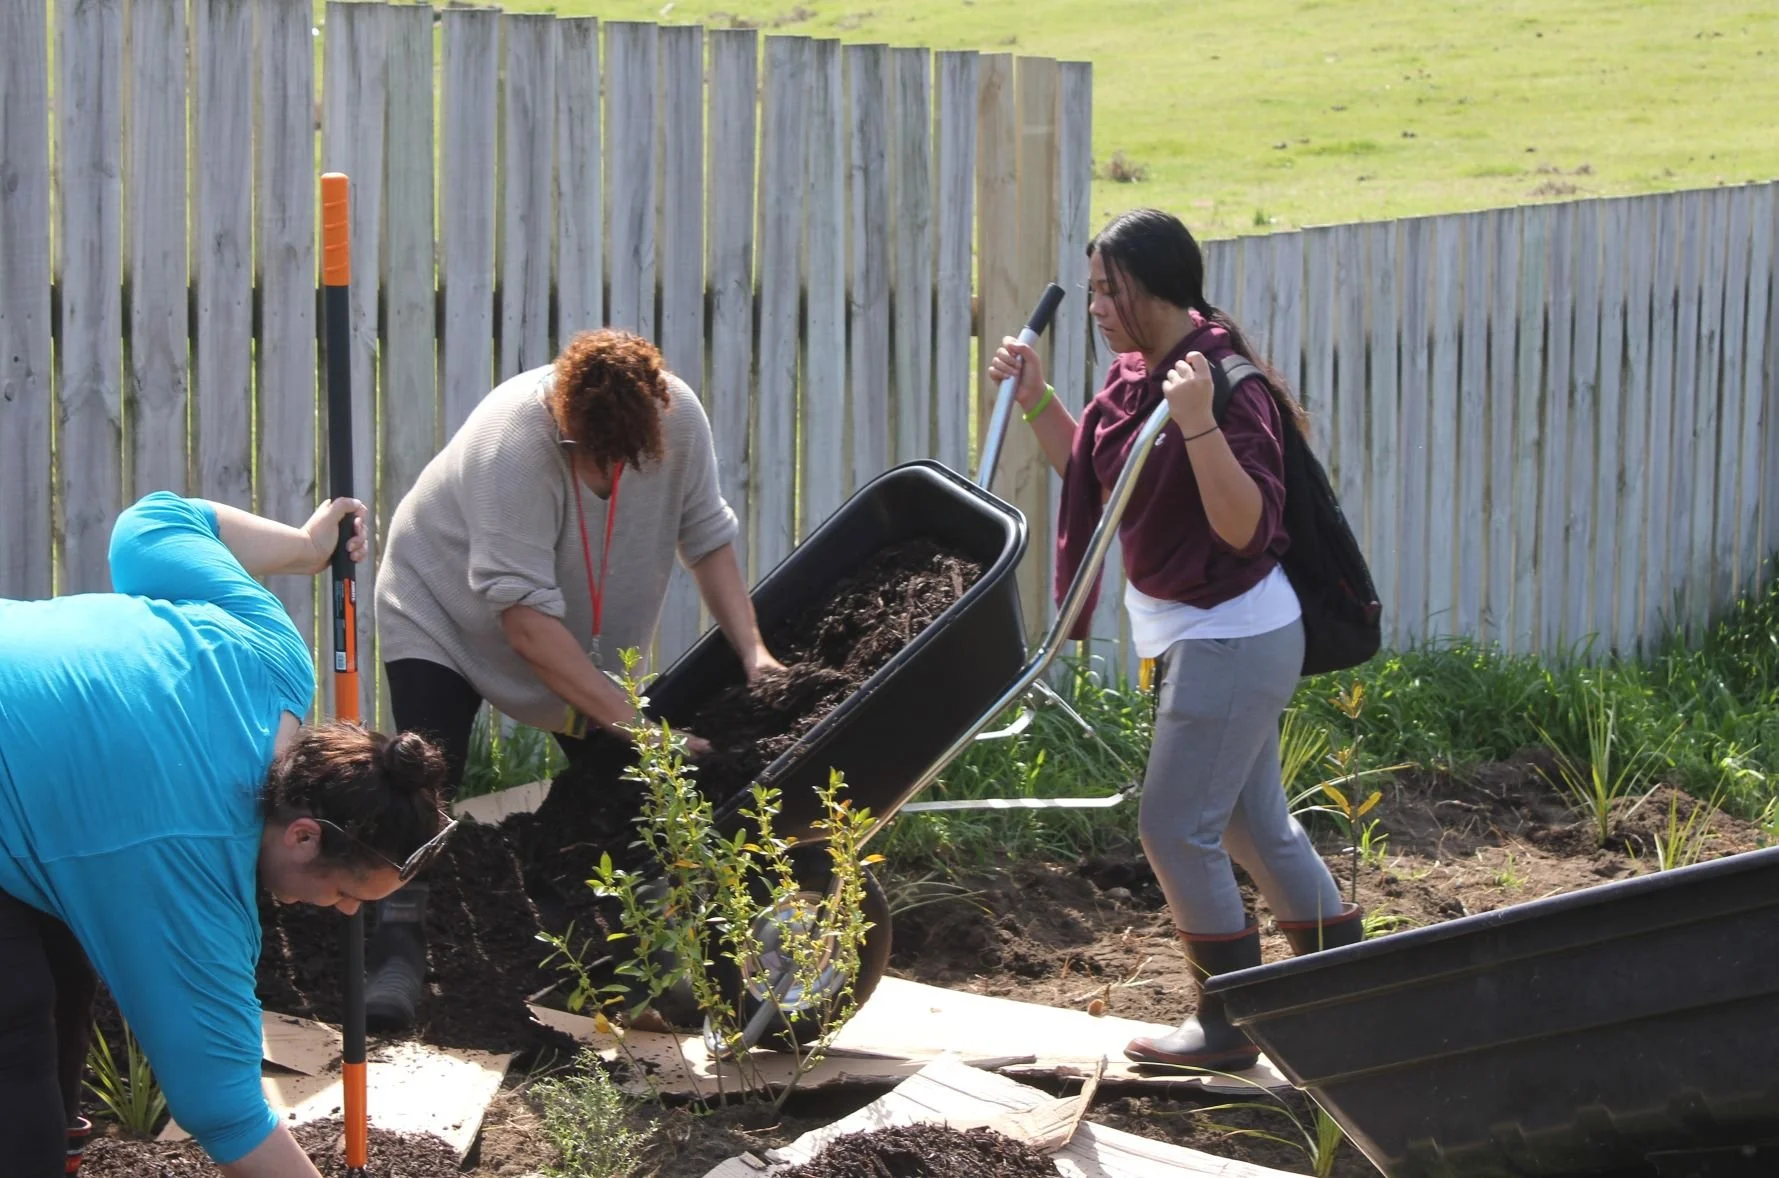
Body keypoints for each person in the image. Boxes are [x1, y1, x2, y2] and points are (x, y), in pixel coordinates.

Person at [988, 208, 1364, 1072]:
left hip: (1231, 634)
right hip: (1206, 635)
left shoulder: (1225, 386)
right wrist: (1039, 396)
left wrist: (1194, 419)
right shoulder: (1136, 373)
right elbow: (1099, 470)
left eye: (1106, 290)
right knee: (1250, 829)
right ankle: (1350, 996)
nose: (1094, 306)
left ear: (1154, 287)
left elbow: (1244, 528)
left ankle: (1227, 1027)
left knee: (1171, 830)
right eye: (1087, 291)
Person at [0, 491, 454, 1176]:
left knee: (61, 965)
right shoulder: (193, 873)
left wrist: (305, 549)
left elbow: (151, 526)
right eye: (342, 890)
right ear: (304, 836)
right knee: (13, 1032)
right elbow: (225, 1112)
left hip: (33, 791)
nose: (348, 911)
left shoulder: (272, 657)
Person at [371, 326, 783, 1029]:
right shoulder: (513, 443)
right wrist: (645, 731)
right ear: (562, 415)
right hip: (441, 609)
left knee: (626, 792)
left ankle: (636, 969)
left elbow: (707, 540)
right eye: (583, 455)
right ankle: (393, 954)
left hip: (566, 638)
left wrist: (755, 654)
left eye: (616, 459)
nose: (598, 474)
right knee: (425, 774)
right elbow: (526, 627)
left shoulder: (677, 420)